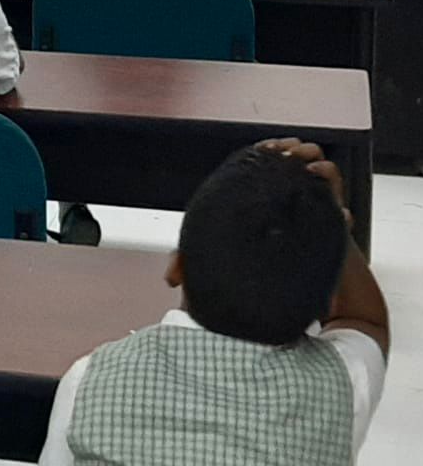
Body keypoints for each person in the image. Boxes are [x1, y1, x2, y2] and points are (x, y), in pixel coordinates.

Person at [38, 138, 388, 465]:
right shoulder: (340, 387)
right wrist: (334, 226)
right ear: (325, 302)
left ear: (176, 267)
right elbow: (366, 321)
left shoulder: (88, 381)